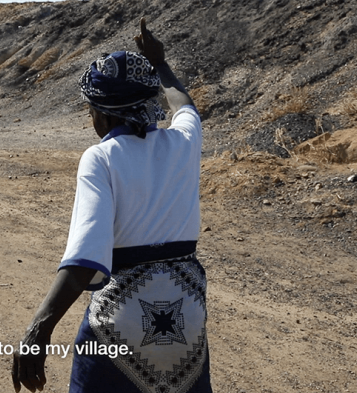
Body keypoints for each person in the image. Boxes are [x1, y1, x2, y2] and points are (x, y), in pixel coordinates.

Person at [11, 18, 213, 393]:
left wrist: (39, 328)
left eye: (90, 111)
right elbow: (184, 103)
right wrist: (160, 63)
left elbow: (86, 260)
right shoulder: (185, 140)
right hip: (185, 312)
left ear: (103, 114)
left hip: (123, 319)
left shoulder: (101, 158)